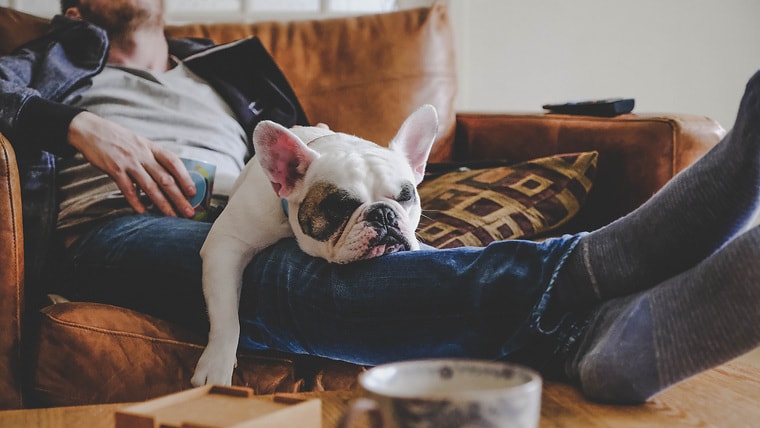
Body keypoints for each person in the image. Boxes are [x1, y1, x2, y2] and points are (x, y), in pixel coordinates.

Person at [1, 0, 758, 404]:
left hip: (236, 204)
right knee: (287, 281)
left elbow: (321, 178)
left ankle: (599, 344)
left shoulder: (224, 73)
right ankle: (607, 263)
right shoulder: (42, 63)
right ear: (70, 9)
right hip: (114, 228)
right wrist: (75, 120)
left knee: (334, 266)